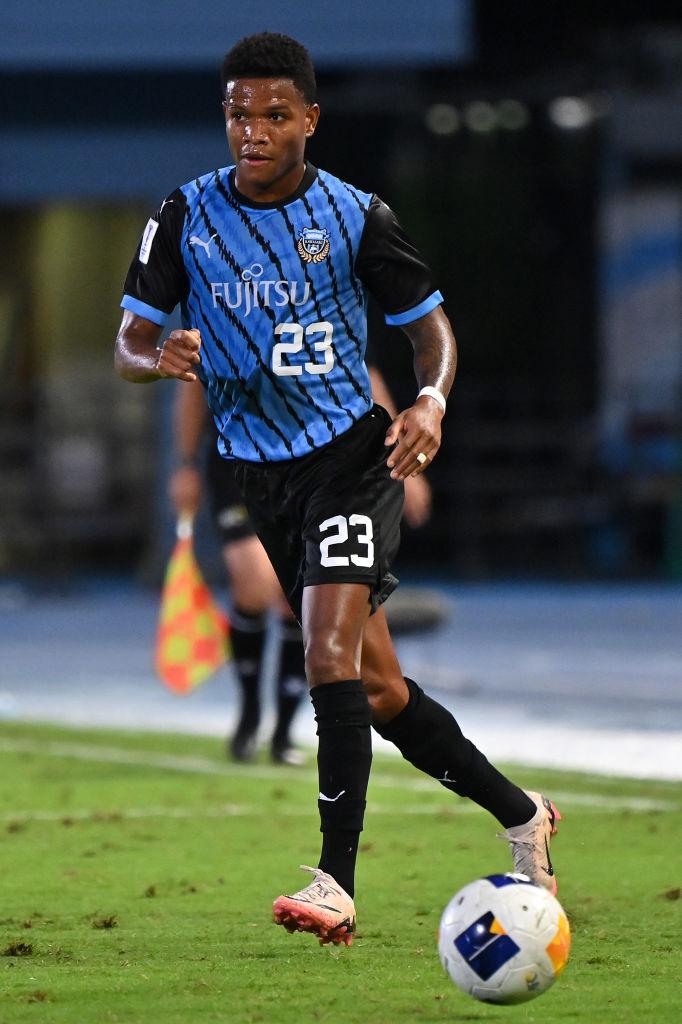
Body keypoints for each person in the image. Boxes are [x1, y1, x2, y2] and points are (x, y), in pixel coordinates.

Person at [115, 31, 561, 948]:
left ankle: (336, 884)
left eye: (275, 114)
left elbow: (430, 330)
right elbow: (127, 341)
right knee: (381, 689)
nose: (254, 130)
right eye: (240, 113)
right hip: (261, 475)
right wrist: (155, 357)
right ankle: (524, 816)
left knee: (326, 654)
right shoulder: (184, 214)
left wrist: (431, 401)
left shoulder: (355, 216)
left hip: (349, 463)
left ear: (310, 120)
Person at [169, 366, 431, 766]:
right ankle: (250, 711)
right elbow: (191, 386)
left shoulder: (325, 325)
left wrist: (403, 455)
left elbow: (365, 372)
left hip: (311, 464)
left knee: (300, 593)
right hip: (237, 461)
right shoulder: (224, 325)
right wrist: (187, 463)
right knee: (255, 584)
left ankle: (283, 731)